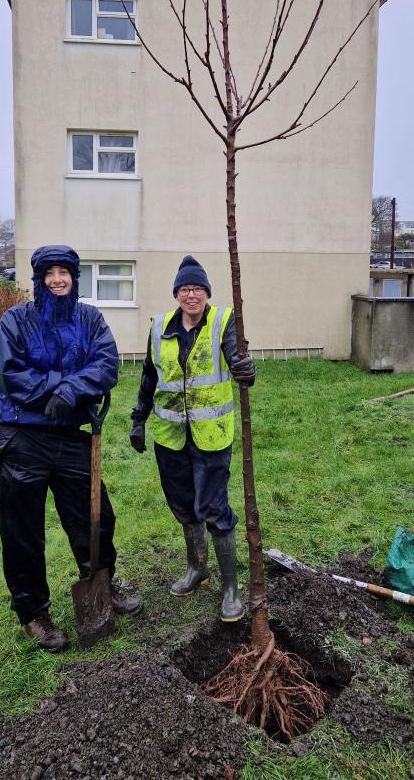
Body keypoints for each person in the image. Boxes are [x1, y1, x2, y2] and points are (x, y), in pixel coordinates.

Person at [0, 244, 142, 652]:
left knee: (96, 517)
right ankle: (33, 613)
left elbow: (106, 364)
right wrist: (60, 387)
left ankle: (102, 582)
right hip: (21, 435)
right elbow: (12, 376)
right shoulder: (15, 321)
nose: (58, 279)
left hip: (71, 435)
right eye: (50, 272)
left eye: (65, 272)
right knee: (23, 530)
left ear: (75, 278)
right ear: (38, 278)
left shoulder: (90, 319)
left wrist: (72, 389)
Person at [129, 255, 256, 623]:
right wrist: (139, 420)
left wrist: (247, 370)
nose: (191, 295)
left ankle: (231, 589)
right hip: (170, 436)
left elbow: (238, 361)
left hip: (211, 436)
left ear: (206, 293)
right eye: (185, 289)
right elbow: (149, 378)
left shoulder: (222, 321)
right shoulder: (159, 327)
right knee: (184, 506)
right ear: (176, 294)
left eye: (197, 288)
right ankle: (197, 568)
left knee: (213, 508)